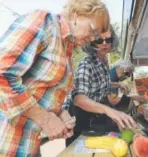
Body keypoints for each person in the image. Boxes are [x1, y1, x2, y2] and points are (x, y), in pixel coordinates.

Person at [0, 0, 110, 156]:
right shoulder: (45, 22)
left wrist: (60, 114)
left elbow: (39, 90)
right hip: (7, 140)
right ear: (76, 14)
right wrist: (46, 120)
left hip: (29, 144)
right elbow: (3, 74)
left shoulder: (67, 47)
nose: (93, 39)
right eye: (93, 31)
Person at [65, 26, 137, 146]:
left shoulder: (104, 62)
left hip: (94, 115)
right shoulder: (86, 64)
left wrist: (118, 84)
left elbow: (100, 84)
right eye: (99, 41)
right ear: (91, 42)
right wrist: (108, 110)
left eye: (108, 40)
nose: (104, 44)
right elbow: (78, 99)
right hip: (80, 117)